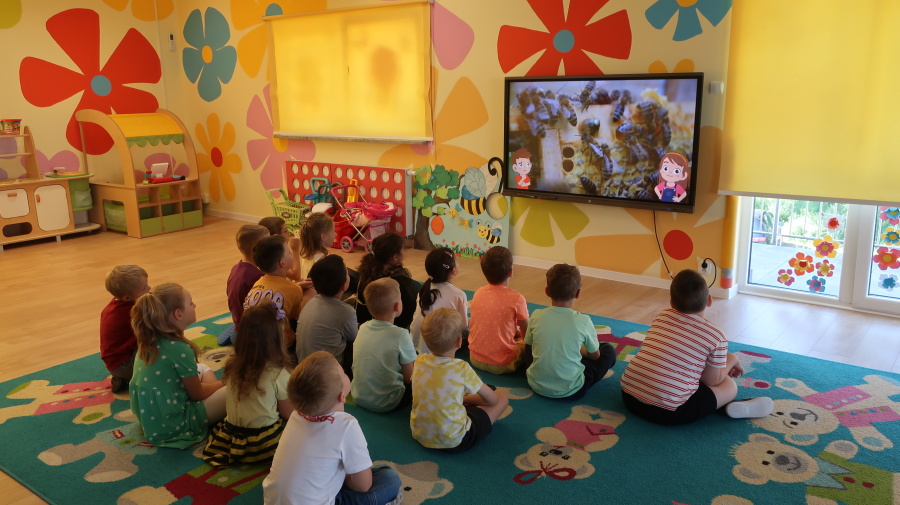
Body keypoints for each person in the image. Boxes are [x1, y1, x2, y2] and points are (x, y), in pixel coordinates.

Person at [620, 269, 774, 425]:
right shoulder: (715, 335)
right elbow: (711, 380)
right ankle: (723, 406)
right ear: (709, 300)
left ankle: (713, 404)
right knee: (729, 385)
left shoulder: (661, 317)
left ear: (671, 302)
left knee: (686, 374)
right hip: (669, 413)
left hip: (629, 397)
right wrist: (732, 359)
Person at [263, 351, 403, 505]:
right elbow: (363, 486)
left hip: (272, 501)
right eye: (343, 373)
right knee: (390, 478)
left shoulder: (296, 415)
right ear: (342, 396)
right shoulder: (347, 425)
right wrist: (347, 478)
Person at [130, 283, 227, 448]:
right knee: (236, 389)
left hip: (152, 419)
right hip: (175, 424)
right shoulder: (179, 348)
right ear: (178, 314)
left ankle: (214, 404)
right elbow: (197, 394)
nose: (194, 305)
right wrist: (225, 382)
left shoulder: (149, 339)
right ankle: (214, 408)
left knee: (202, 368)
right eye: (191, 303)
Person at [202, 301, 294, 467]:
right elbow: (289, 413)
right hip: (263, 444)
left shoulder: (233, 366)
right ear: (275, 342)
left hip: (231, 439)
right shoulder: (278, 373)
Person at [410, 308, 508, 453]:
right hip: (456, 440)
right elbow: (492, 400)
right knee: (501, 398)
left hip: (420, 433)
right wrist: (467, 399)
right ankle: (463, 400)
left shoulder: (419, 361)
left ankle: (462, 400)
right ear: (459, 341)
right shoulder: (461, 368)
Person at [525, 263, 617, 400]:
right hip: (572, 390)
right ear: (578, 293)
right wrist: (581, 350)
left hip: (535, 383)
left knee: (530, 346)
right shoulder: (583, 321)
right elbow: (595, 356)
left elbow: (529, 346)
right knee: (608, 350)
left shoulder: (536, 315)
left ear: (547, 291)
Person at [351, 278, 417, 412]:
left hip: (358, 396)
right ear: (397, 306)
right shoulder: (401, 335)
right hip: (388, 402)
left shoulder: (362, 328)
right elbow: (409, 378)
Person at [467, 246, 531, 374]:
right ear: (510, 272)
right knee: (527, 344)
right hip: (503, 364)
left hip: (475, 359)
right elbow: (527, 335)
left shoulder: (478, 293)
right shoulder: (517, 298)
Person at [245, 235, 312, 352]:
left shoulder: (257, 283)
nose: (291, 254)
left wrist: (296, 286)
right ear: (282, 263)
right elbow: (296, 317)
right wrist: (297, 288)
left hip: (250, 344)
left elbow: (276, 290)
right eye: (289, 253)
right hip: (279, 349)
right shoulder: (293, 290)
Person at [295, 255, 357, 374]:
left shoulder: (311, 302)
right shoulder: (346, 312)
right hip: (326, 375)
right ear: (343, 286)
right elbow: (355, 338)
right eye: (347, 274)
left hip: (302, 368)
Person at [100, 264, 150, 393]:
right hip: (125, 364)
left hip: (115, 364)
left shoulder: (114, 305)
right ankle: (134, 376)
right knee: (159, 342)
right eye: (144, 288)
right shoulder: (132, 311)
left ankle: (123, 378)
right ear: (127, 297)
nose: (149, 289)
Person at [409, 247, 468, 354]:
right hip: (439, 346)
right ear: (453, 271)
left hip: (416, 342)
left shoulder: (424, 290)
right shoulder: (459, 295)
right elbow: (463, 326)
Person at [355, 233, 420, 329]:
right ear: (395, 257)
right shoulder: (400, 282)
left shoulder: (366, 272)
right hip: (391, 327)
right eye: (403, 249)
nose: (405, 252)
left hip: (364, 324)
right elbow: (408, 312)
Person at [220, 224, 269, 346]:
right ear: (256, 249)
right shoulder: (257, 277)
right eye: (268, 243)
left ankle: (235, 332)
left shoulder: (237, 268)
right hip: (251, 333)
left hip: (238, 321)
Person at [259, 216, 305, 283]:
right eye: (285, 231)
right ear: (276, 237)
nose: (289, 233)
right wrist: (295, 249)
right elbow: (296, 276)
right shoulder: (273, 255)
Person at [298, 212, 336, 280]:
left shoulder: (305, 254)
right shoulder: (323, 262)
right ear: (323, 237)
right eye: (333, 231)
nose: (335, 234)